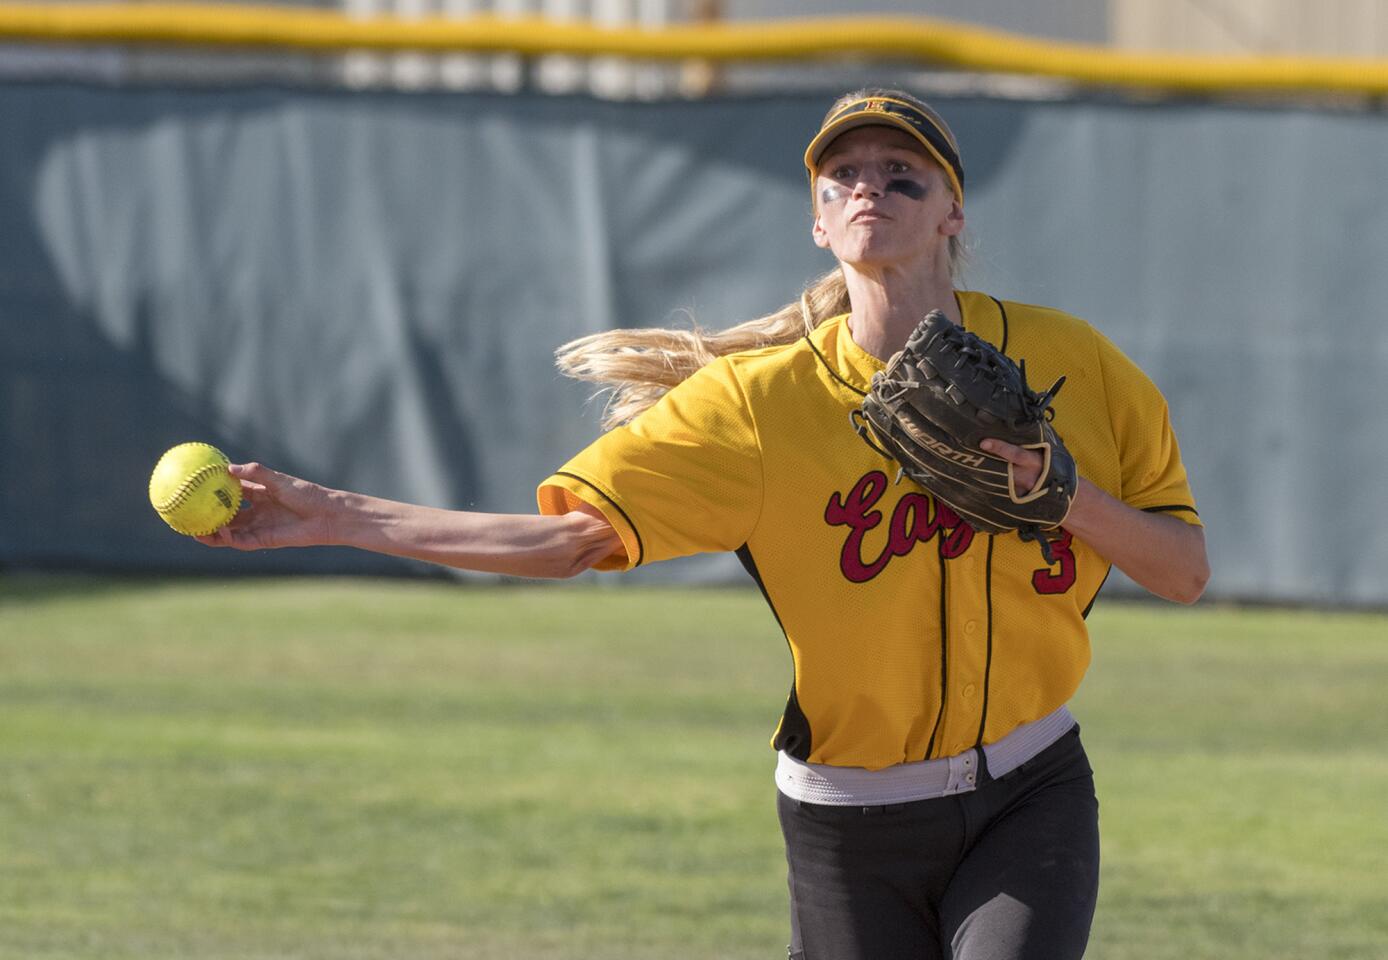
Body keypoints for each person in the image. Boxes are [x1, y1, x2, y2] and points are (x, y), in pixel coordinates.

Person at [199, 88, 1209, 960]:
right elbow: (562, 544)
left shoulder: (1071, 367)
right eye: (840, 178)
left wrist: (1063, 497)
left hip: (1028, 788)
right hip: (851, 824)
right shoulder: (756, 407)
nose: (868, 189)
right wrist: (335, 516)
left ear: (951, 211)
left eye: (901, 176)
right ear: (817, 223)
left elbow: (1182, 571)